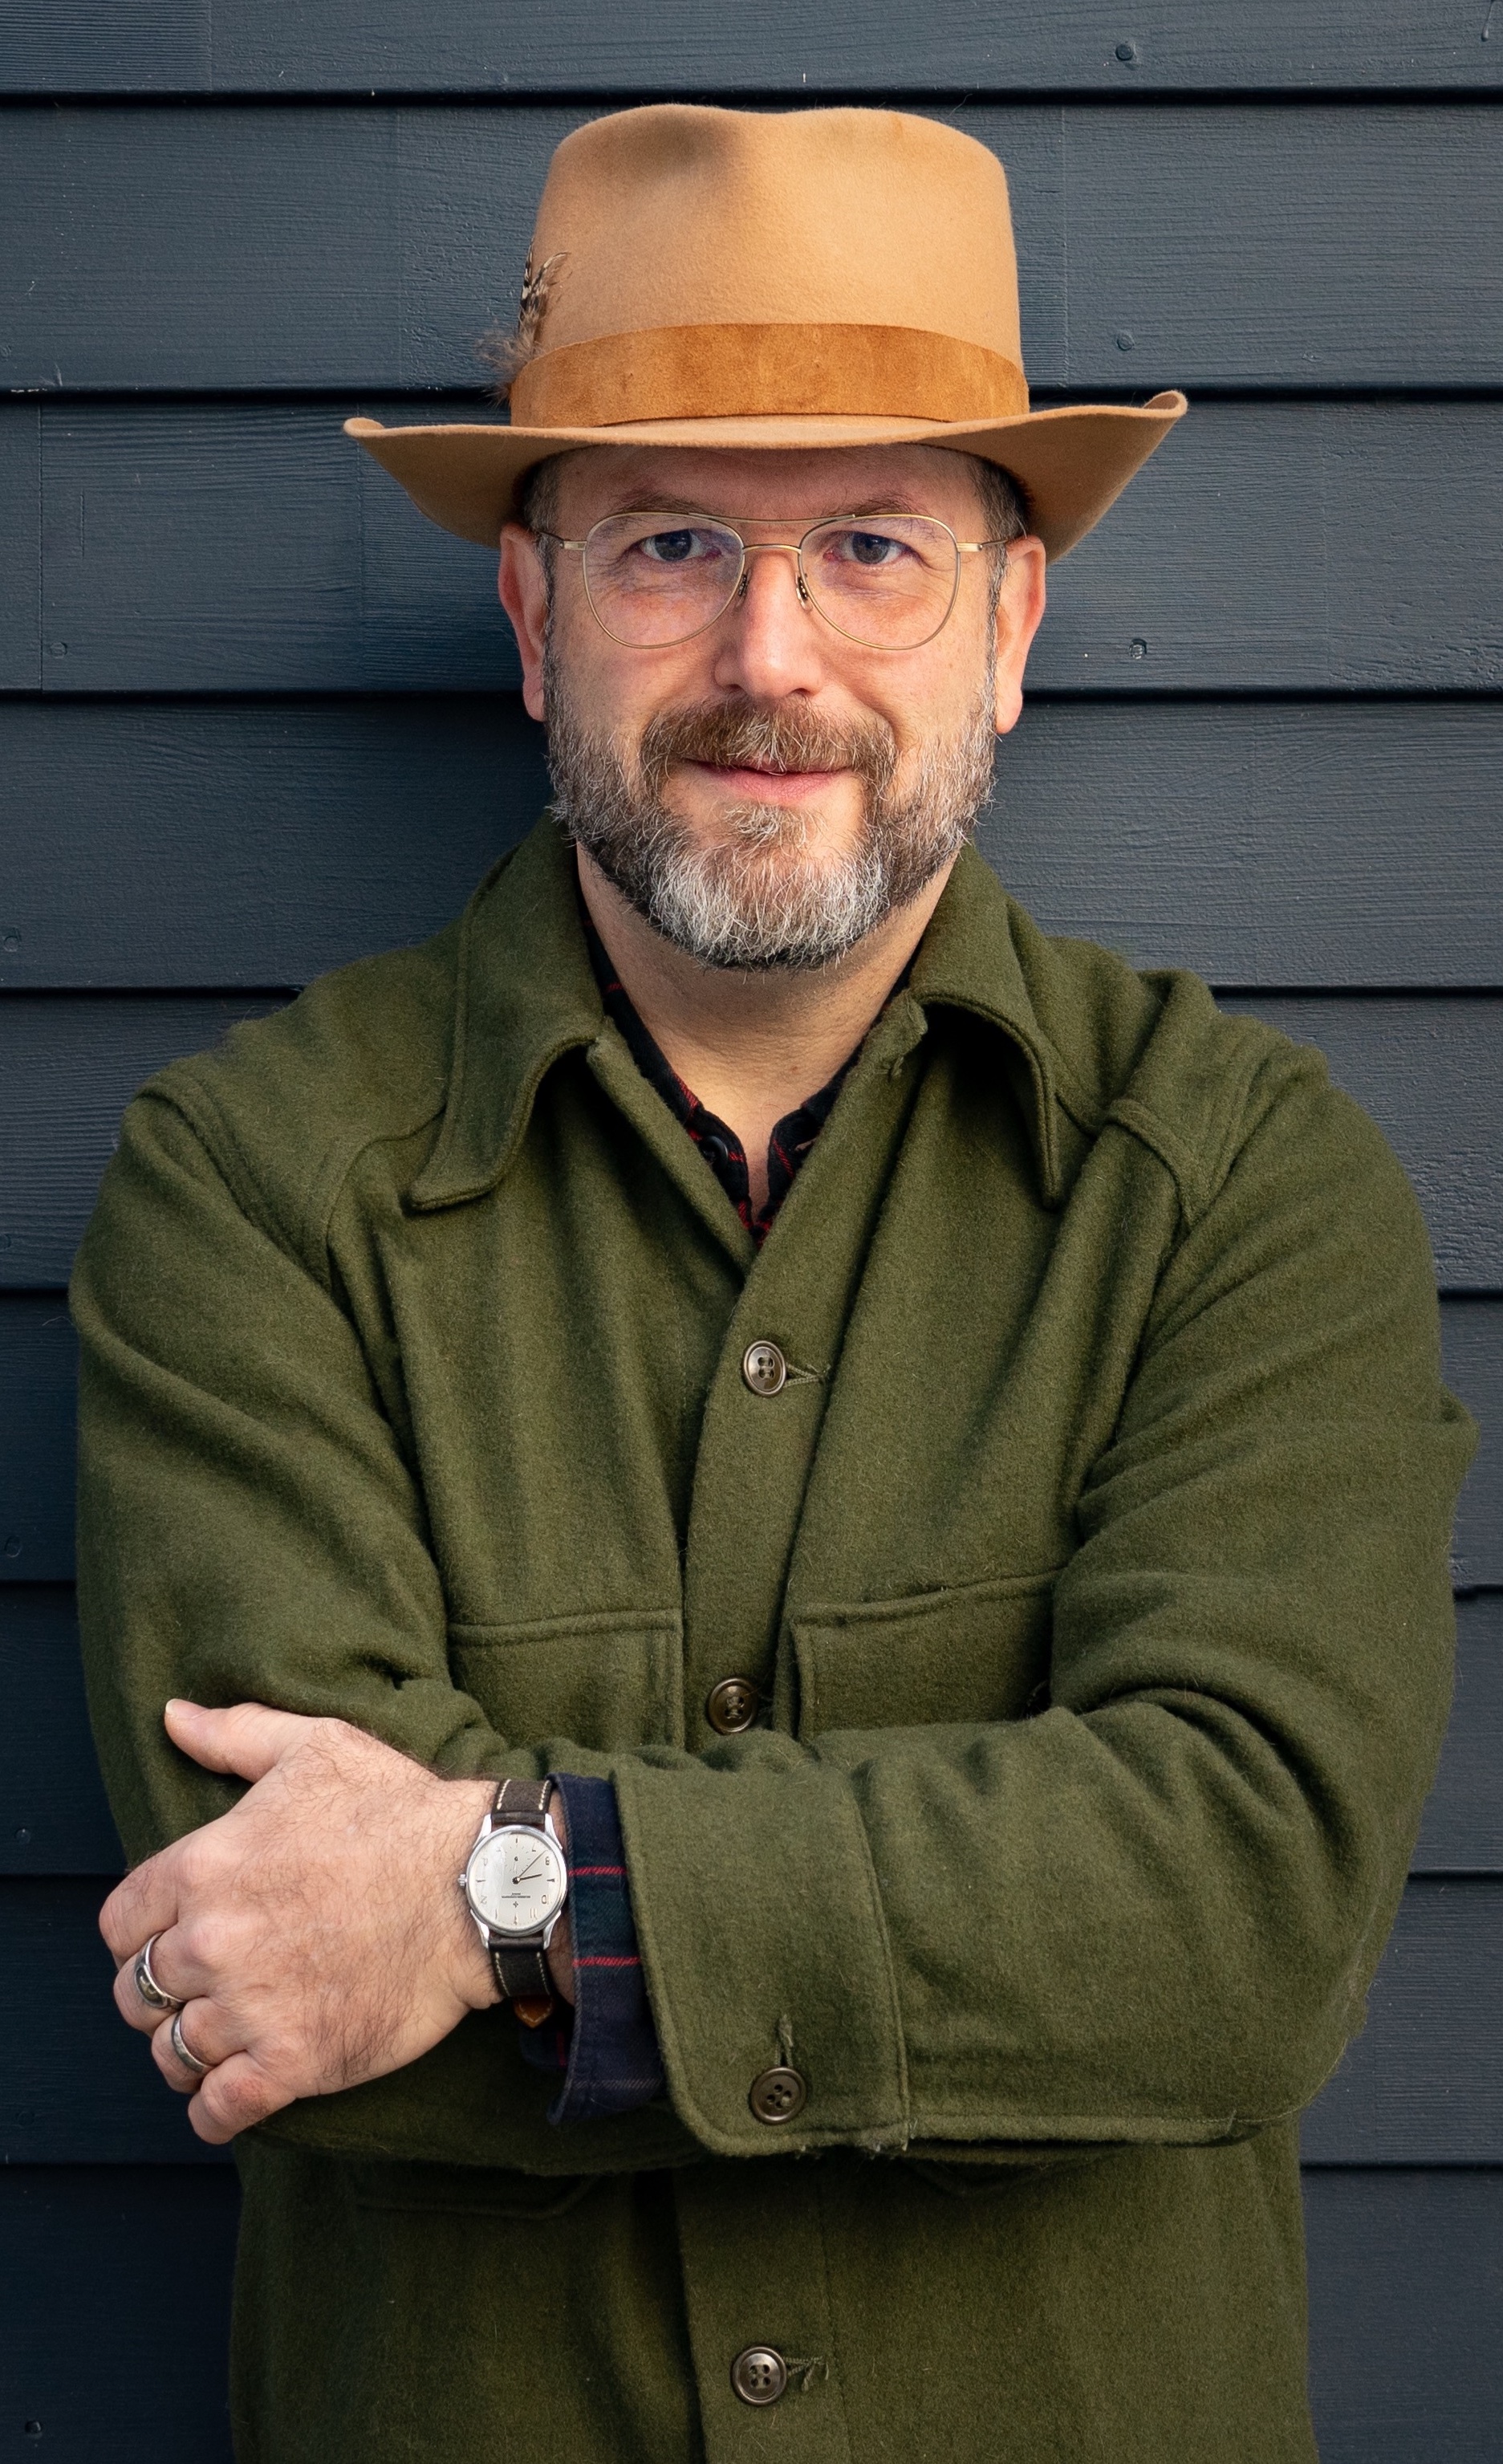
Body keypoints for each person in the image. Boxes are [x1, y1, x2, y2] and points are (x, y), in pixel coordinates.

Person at [75, 105, 1472, 2464]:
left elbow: (1233, 1927)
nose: (766, 655)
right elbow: (269, 1980)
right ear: (532, 621)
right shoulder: (254, 1191)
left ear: (1009, 631)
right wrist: (971, 1955)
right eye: (671, 545)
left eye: (870, 548)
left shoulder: (1242, 1190)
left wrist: (503, 1902)